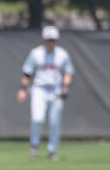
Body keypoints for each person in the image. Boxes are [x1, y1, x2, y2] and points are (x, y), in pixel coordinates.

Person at [17, 25, 74, 161]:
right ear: (44, 40)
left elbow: (68, 72)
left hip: (56, 90)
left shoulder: (62, 54)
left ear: (56, 40)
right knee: (37, 118)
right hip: (39, 89)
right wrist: (22, 89)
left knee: (55, 122)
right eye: (48, 39)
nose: (50, 42)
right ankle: (34, 146)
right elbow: (27, 72)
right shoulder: (36, 53)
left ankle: (52, 151)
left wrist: (65, 87)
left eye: (53, 39)